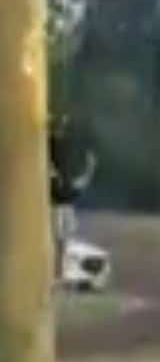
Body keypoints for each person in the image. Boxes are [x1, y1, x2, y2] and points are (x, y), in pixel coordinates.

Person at [48, 113, 97, 285]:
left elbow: (74, 181)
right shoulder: (53, 145)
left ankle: (59, 272)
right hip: (58, 201)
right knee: (58, 239)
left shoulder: (63, 147)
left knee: (62, 239)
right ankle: (56, 272)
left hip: (63, 199)